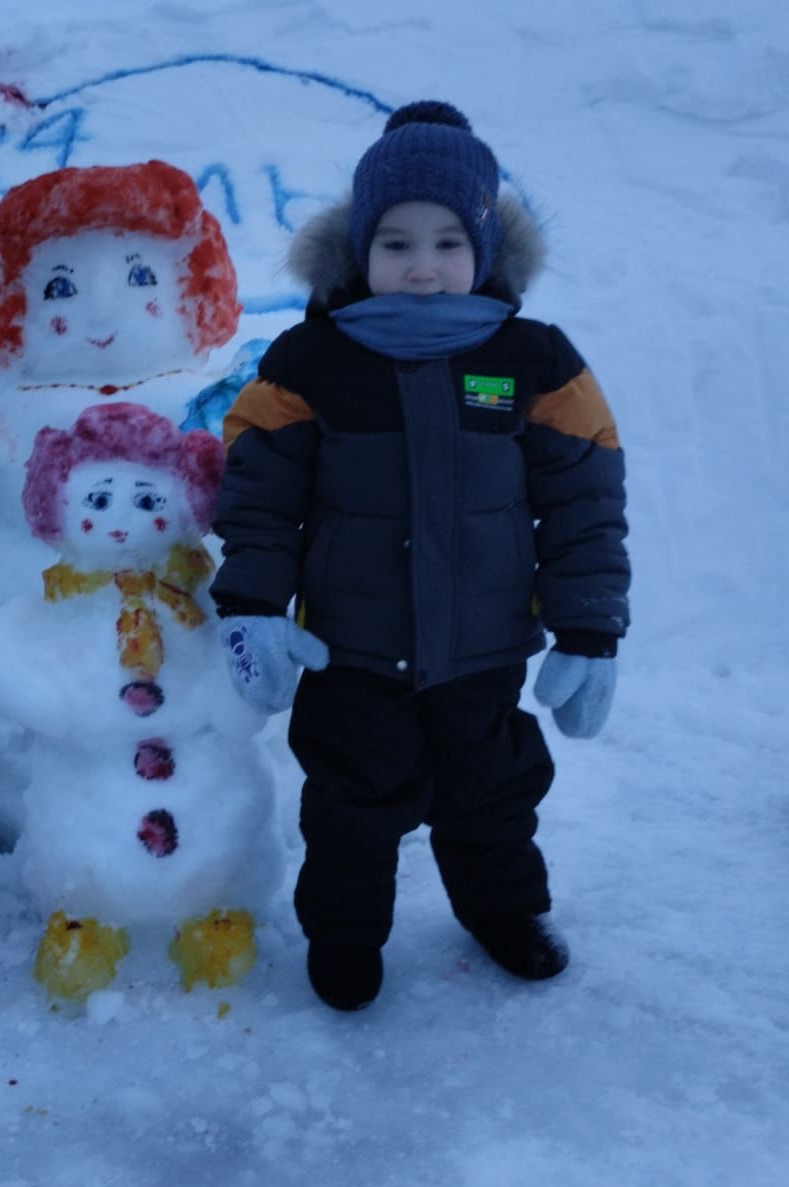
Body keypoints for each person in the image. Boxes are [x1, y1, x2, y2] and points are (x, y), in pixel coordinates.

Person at [211, 100, 629, 1011]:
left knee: (493, 800)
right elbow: (259, 491)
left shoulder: (534, 359)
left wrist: (588, 629)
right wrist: (251, 604)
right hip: (351, 649)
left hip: (482, 651)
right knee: (349, 808)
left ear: (485, 250)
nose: (424, 265)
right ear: (360, 250)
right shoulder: (310, 360)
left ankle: (504, 912)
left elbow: (584, 497)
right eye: (396, 242)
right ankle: (346, 936)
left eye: (447, 241)